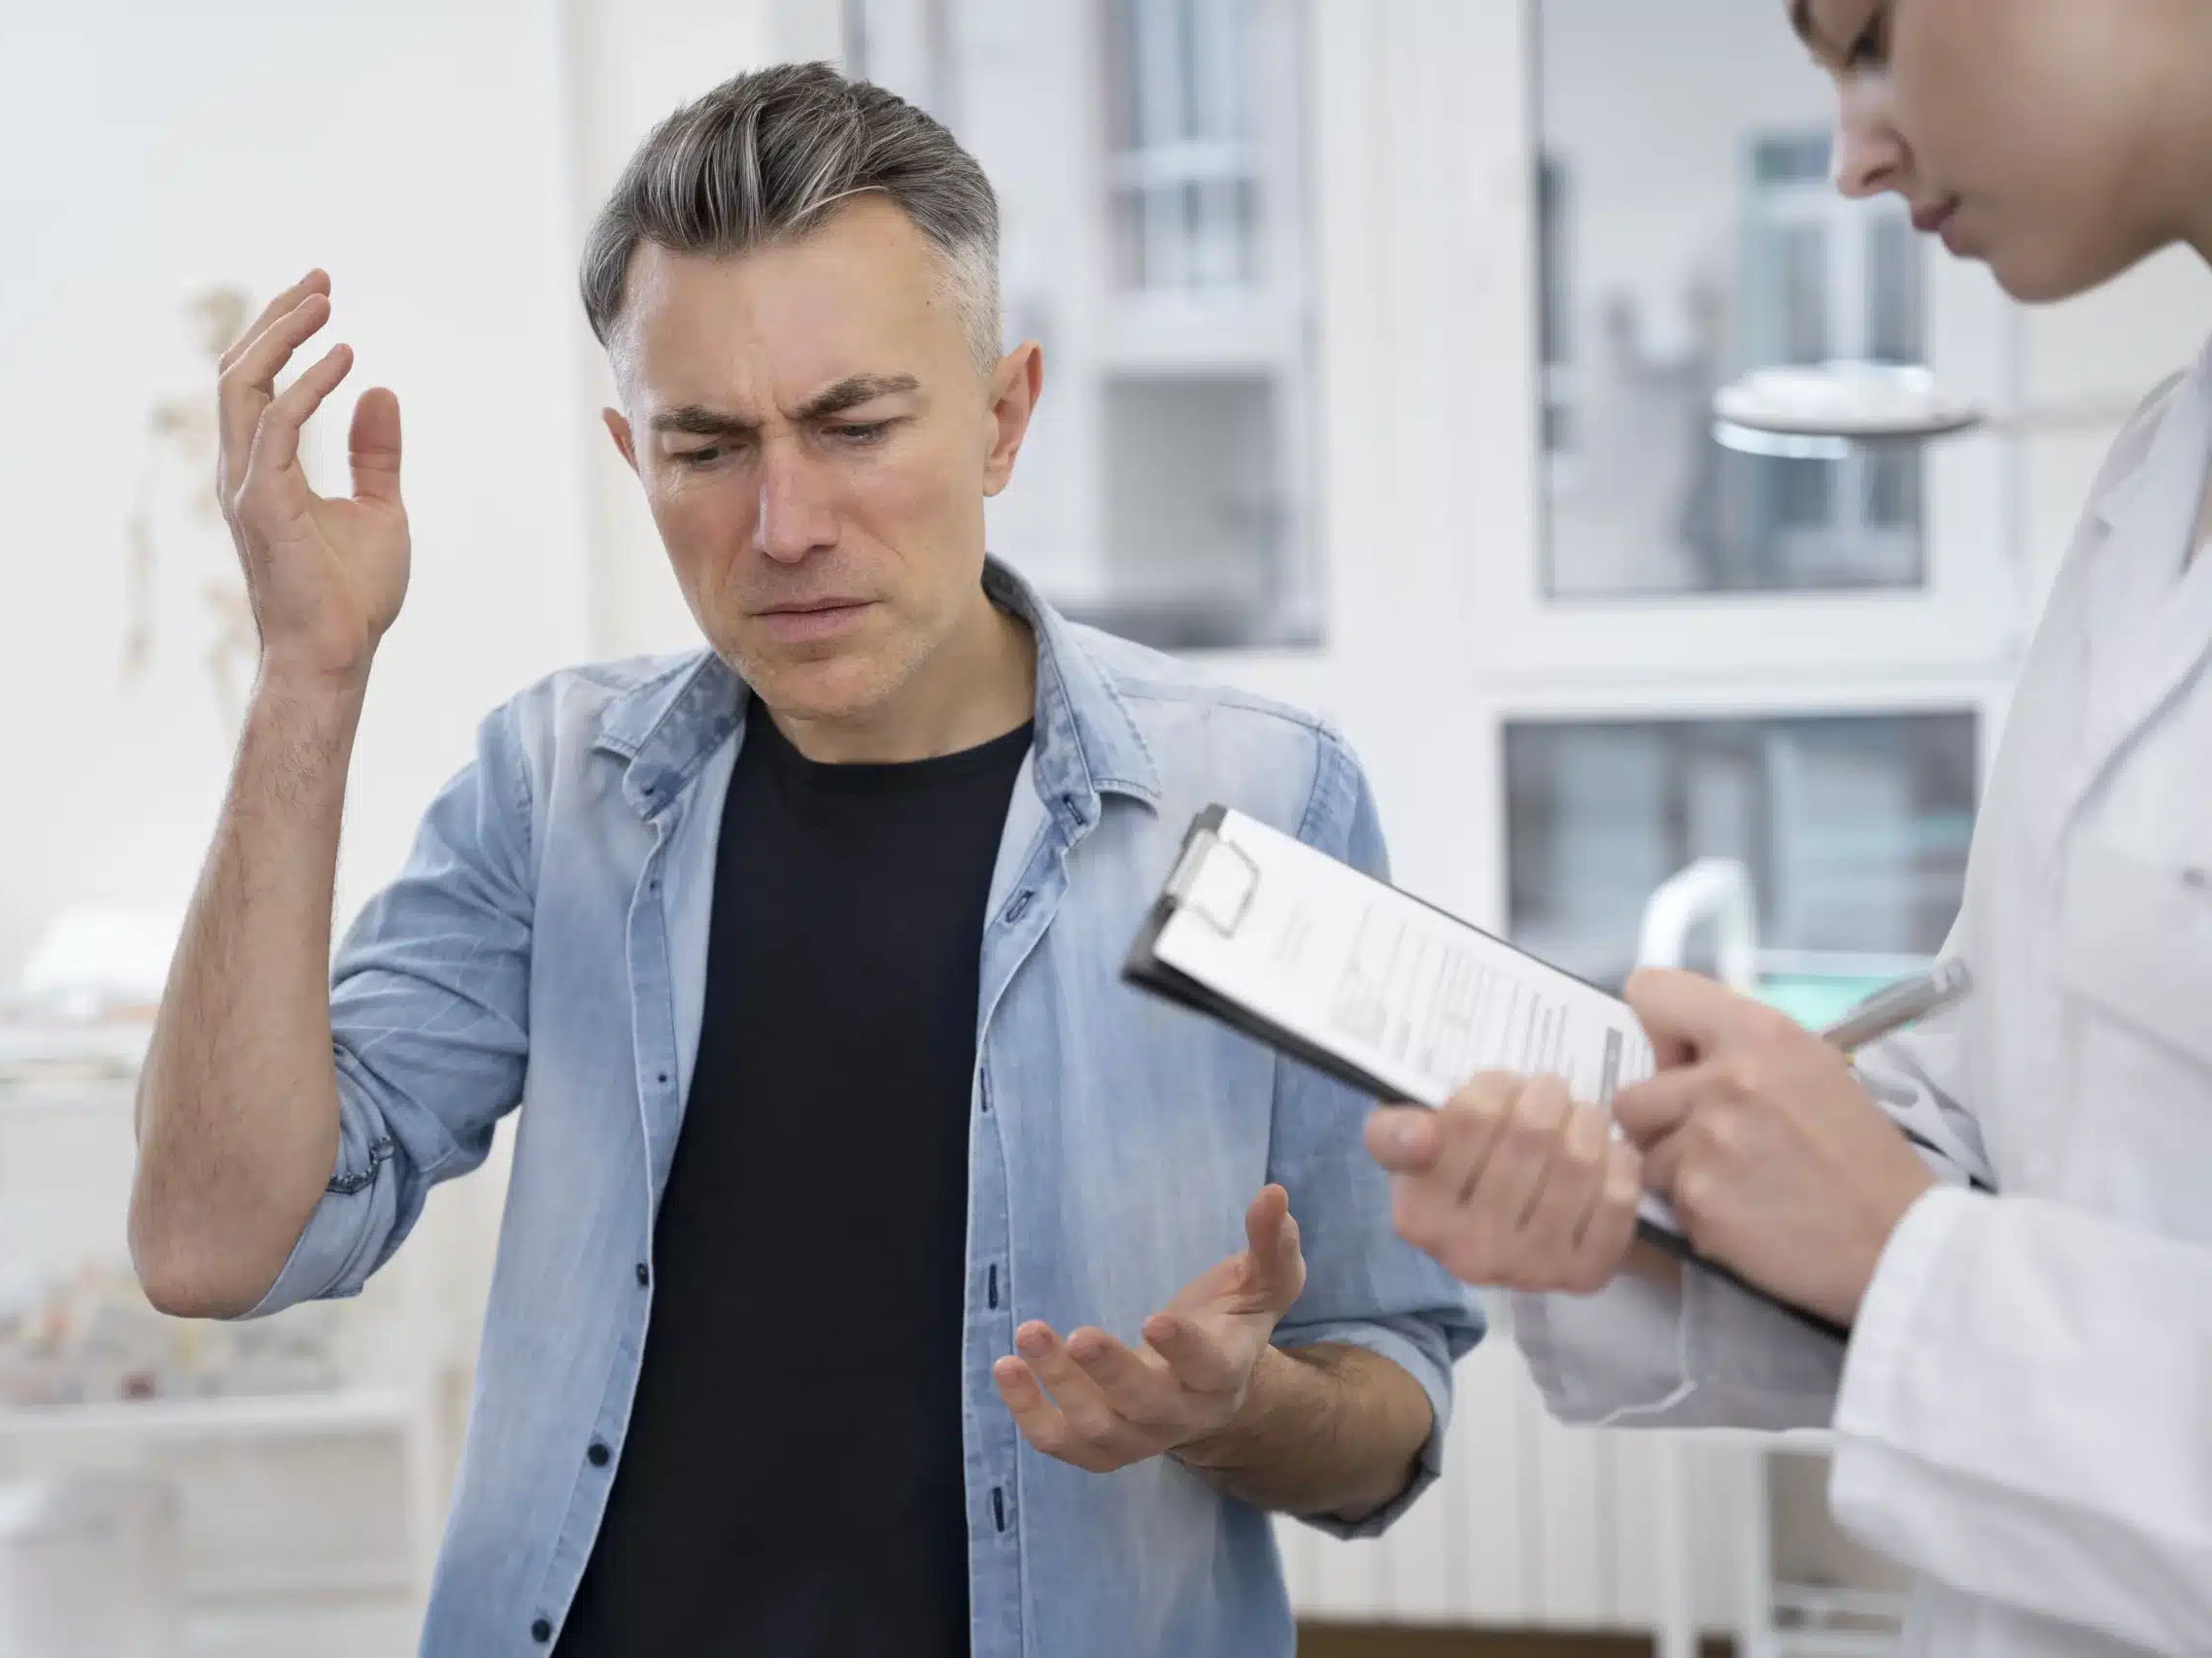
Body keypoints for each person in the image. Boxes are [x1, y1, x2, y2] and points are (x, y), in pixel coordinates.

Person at [129, 63, 1479, 1658]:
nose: (785, 523)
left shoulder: (1260, 804)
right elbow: (216, 1242)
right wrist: (308, 671)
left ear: (1002, 415)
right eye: (708, 448)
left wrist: (1242, 1409)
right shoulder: (552, 792)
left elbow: (1385, 1408)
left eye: (855, 426)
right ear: (636, 459)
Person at [1367, 3, 2212, 1655]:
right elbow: (1999, 1131)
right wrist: (1660, 1201)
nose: (1849, 158)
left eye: (1875, 35)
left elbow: (1935, 1256)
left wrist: (1904, 1259)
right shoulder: (2157, 478)